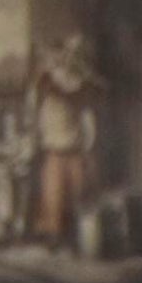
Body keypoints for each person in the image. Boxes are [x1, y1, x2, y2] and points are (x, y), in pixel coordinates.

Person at [30, 32, 102, 251]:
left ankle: (75, 235)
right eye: (65, 53)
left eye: (73, 54)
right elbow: (39, 100)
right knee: (53, 192)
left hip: (74, 144)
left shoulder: (80, 81)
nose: (67, 58)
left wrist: (89, 139)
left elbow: (87, 110)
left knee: (77, 189)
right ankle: (53, 235)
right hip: (54, 144)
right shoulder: (48, 78)